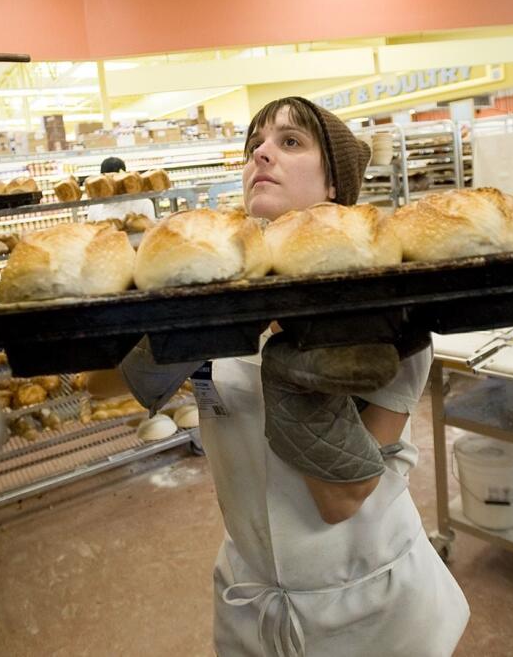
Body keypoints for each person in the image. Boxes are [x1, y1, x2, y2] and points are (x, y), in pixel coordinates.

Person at [121, 97, 469, 656]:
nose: (261, 151)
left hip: (366, 608)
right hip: (252, 599)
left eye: (290, 142)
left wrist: (290, 364)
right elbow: (114, 391)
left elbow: (342, 498)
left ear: (334, 186)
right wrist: (164, 331)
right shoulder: (222, 296)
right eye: (254, 143)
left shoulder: (386, 323)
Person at [84, 156, 156, 224]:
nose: (112, 184)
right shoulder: (95, 206)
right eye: (108, 181)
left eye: (116, 179)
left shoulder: (143, 203)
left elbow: (151, 230)